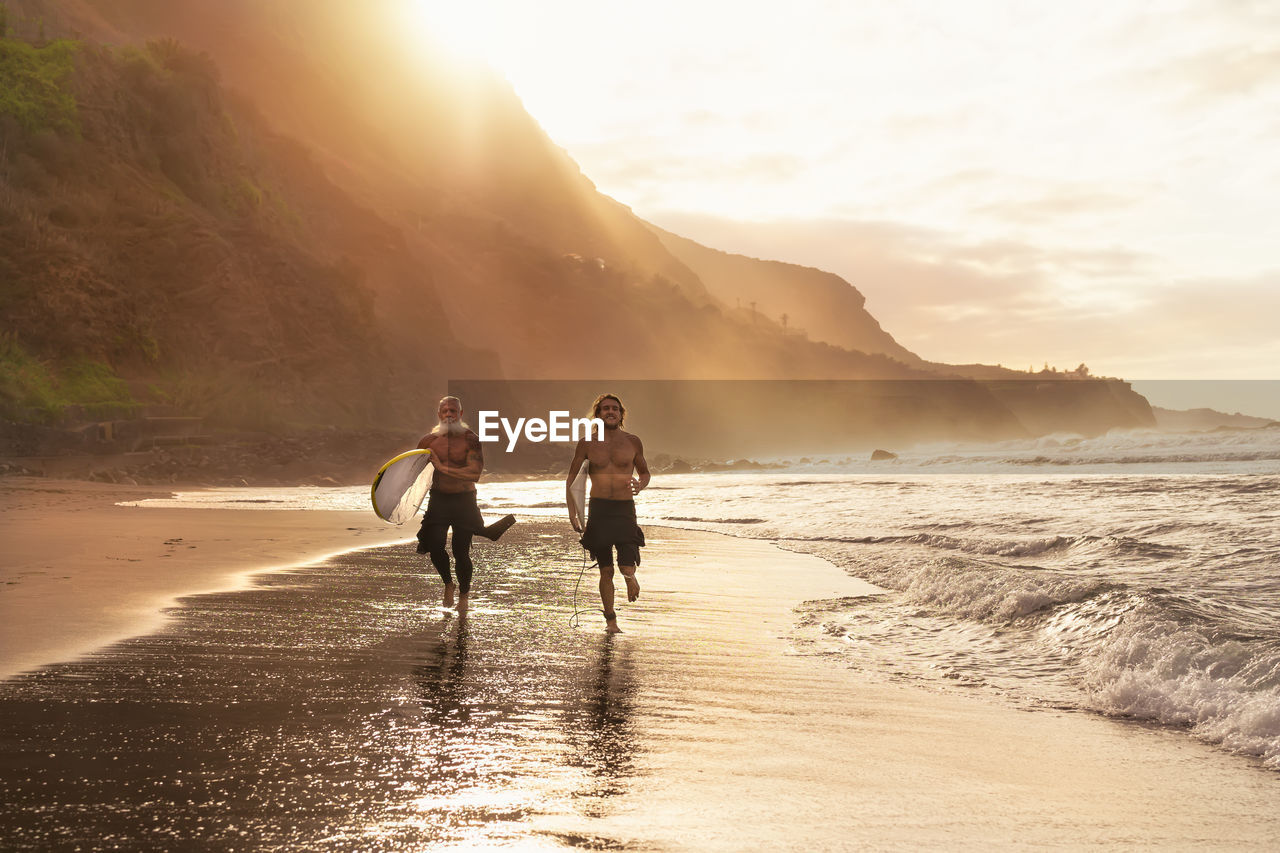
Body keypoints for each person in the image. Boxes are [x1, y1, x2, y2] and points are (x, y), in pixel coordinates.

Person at [416, 395, 515, 612]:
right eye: (445, 411)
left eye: (453, 411)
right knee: (433, 545)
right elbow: (412, 474)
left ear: (460, 414)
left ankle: (464, 596)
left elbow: (475, 474)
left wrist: (442, 468)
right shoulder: (427, 442)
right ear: (439, 414)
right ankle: (448, 584)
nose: (449, 414)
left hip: (464, 501)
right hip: (439, 500)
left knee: (461, 552)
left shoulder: (471, 439)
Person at [566, 393, 650, 633]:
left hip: (624, 510)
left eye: (615, 408)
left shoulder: (633, 442)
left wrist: (640, 484)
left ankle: (630, 577)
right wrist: (572, 511)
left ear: (621, 414)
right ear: (598, 414)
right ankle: (610, 620)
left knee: (625, 566)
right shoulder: (587, 443)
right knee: (605, 569)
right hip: (599, 510)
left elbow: (644, 472)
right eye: (605, 409)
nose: (610, 412)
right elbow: (572, 479)